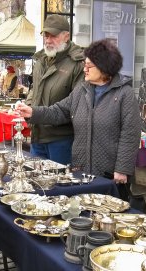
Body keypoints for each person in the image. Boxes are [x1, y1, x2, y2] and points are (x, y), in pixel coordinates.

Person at [17, 39, 141, 187]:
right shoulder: (81, 91)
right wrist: (33, 112)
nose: (84, 70)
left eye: (89, 66)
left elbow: (130, 134)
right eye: (84, 65)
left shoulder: (124, 94)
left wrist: (122, 168)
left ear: (104, 68)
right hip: (81, 171)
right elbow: (59, 111)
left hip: (110, 174)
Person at [27, 14, 85, 165]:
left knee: (60, 184)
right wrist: (26, 108)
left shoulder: (77, 63)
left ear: (66, 36)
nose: (48, 40)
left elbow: (76, 103)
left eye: (53, 36)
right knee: (36, 182)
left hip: (61, 138)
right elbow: (34, 89)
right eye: (46, 35)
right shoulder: (41, 60)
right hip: (37, 134)